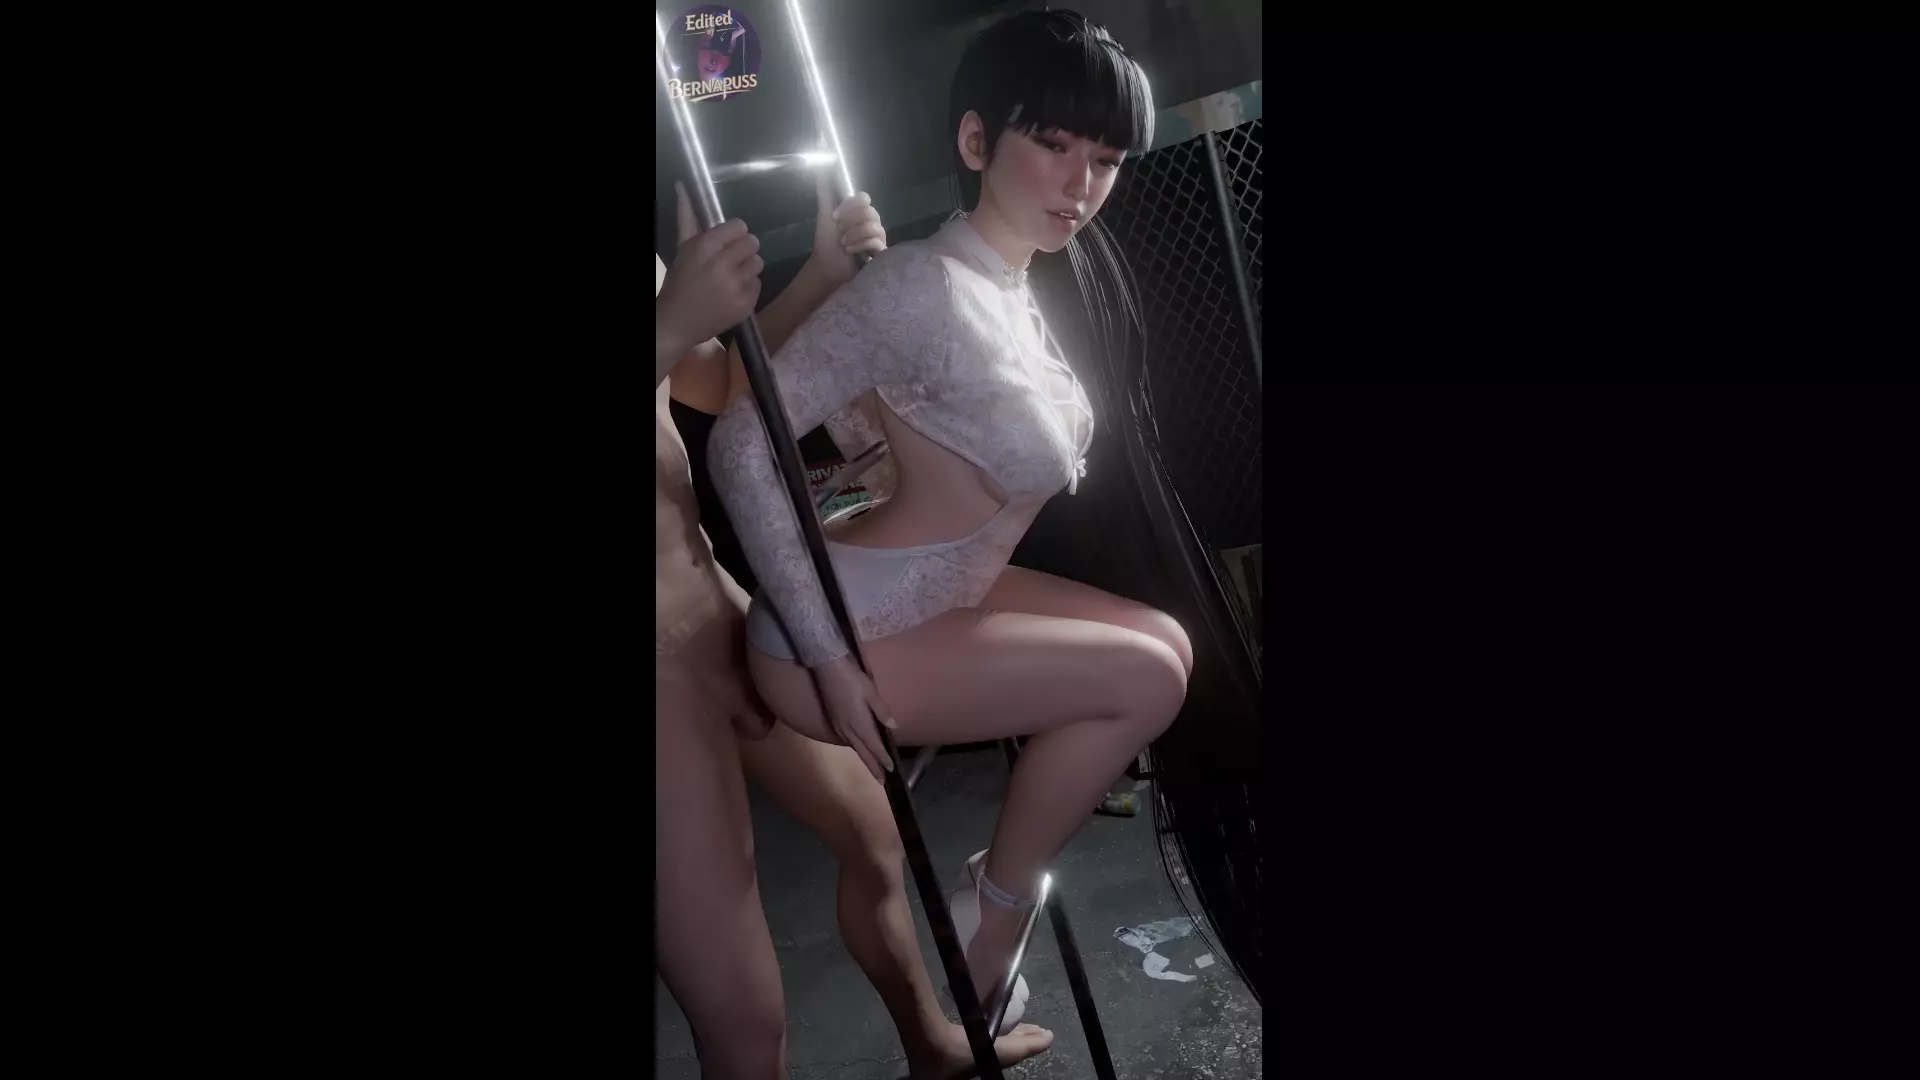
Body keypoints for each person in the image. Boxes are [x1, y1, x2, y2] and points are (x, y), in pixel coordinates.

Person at [708, 10, 1186, 1034]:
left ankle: (996, 884)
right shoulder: (920, 285)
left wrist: (869, 460)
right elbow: (744, 442)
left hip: (930, 587)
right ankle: (992, 918)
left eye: (1105, 160)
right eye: (1053, 144)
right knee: (1149, 679)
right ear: (976, 141)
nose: (1080, 184)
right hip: (847, 634)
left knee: (1169, 644)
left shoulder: (1007, 285)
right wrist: (829, 650)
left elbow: (847, 444)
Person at [655, 171, 1053, 1078]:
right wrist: (672, 322)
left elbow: (717, 383)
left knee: (875, 835)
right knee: (744, 1021)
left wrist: (820, 277)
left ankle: (933, 1046)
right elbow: (674, 340)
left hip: (710, 605)